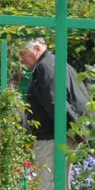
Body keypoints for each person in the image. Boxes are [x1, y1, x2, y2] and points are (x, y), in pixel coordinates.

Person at [20, 37, 89, 177]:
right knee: (61, 187)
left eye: (23, 53)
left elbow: (56, 102)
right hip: (61, 135)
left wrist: (74, 130)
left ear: (37, 48)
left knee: (48, 187)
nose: (21, 59)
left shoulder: (46, 67)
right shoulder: (56, 63)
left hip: (53, 138)